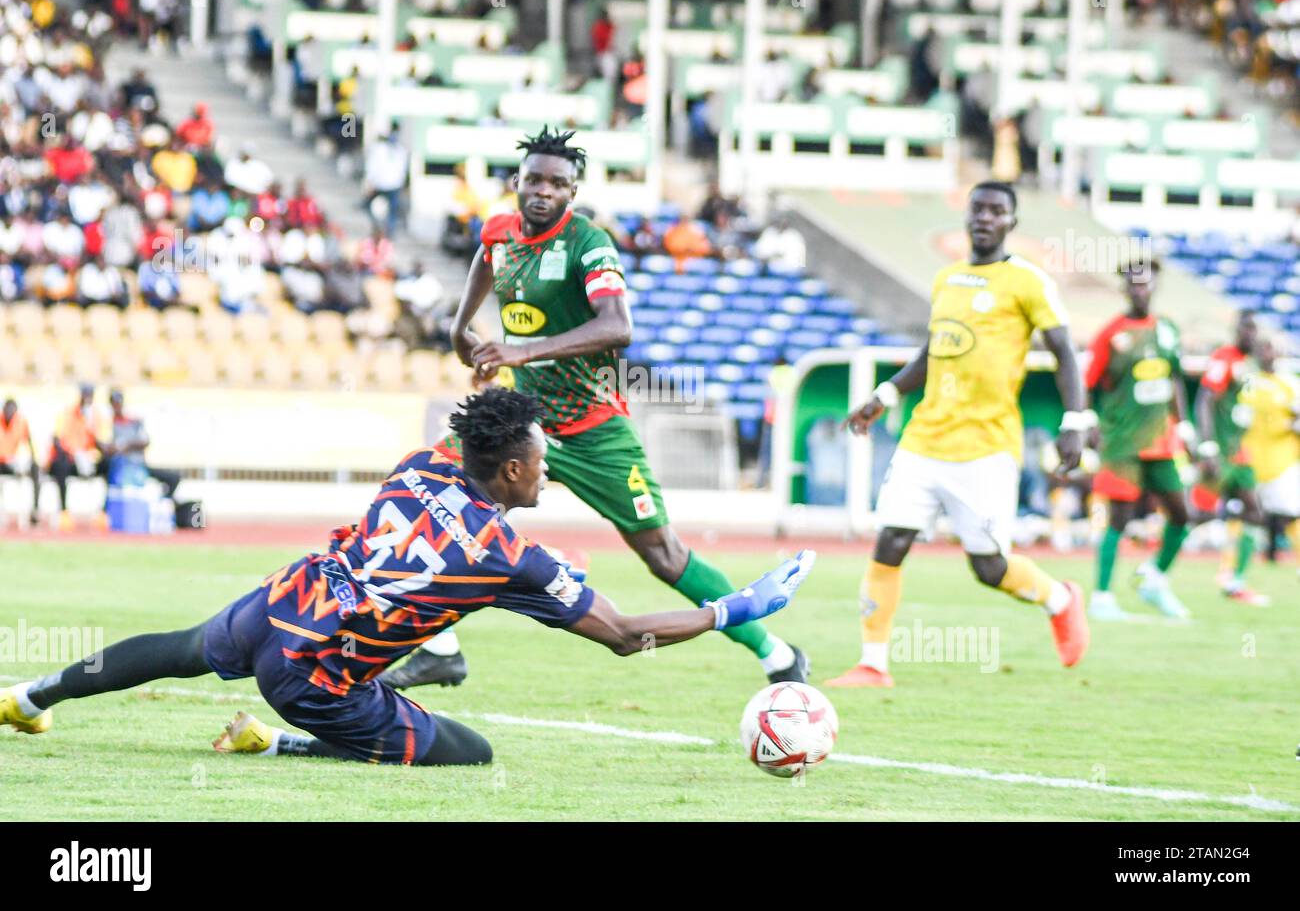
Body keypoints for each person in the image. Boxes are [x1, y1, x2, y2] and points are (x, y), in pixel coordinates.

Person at [0, 389, 815, 765]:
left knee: (180, 647)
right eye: (539, 463)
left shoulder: (421, 462)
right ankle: (281, 741)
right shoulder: (506, 555)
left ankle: (31, 697)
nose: (548, 473)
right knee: (473, 753)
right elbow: (626, 636)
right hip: (314, 677)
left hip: (286, 600)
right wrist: (732, 608)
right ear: (508, 466)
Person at [382, 127, 811, 691]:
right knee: (433, 490)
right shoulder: (498, 233)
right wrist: (467, 335)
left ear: (572, 193)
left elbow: (618, 327)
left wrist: (520, 349)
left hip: (594, 426)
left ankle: (776, 654)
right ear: (516, 182)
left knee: (663, 556)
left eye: (557, 184)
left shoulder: (590, 244)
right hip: (522, 419)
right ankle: (439, 648)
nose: (543, 191)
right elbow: (476, 291)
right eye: (533, 179)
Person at [827, 181, 1090, 689]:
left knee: (989, 567)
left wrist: (1075, 421)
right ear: (965, 218)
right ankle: (873, 664)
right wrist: (884, 395)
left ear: (1012, 222)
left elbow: (1065, 353)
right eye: (978, 210)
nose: (985, 219)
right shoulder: (948, 278)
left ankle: (1060, 599)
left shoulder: (1028, 282)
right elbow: (932, 354)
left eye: (997, 211)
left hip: (986, 448)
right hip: (925, 439)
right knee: (890, 541)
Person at [1085, 261, 1195, 620]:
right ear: (1124, 289)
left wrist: (1185, 425)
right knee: (1120, 518)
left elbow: (1175, 379)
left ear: (1155, 286)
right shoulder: (1110, 335)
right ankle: (1101, 597)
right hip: (1124, 442)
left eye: (1146, 284)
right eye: (1133, 284)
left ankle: (1152, 577)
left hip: (1161, 441)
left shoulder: (1167, 329)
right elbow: (1087, 383)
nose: (1140, 290)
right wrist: (1087, 422)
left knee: (1182, 513)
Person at [1195, 312, 1271, 605]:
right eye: (1246, 328)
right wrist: (1208, 446)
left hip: (1239, 453)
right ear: (1236, 330)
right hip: (1220, 452)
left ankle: (1235, 581)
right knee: (1195, 514)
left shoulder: (1250, 365)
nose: (1251, 334)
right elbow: (1204, 400)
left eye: (1255, 329)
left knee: (1254, 511)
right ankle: (1152, 569)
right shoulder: (1224, 358)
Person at [1241, 337, 1300, 571]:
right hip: (1251, 458)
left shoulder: (1289, 384)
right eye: (1261, 349)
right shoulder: (1248, 382)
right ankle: (1235, 574)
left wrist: (1287, 425)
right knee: (1247, 513)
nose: (1266, 354)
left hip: (1283, 459)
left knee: (1291, 512)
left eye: (1270, 349)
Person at [45, 383, 108, 531]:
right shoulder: (68, 413)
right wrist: (75, 453)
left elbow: (102, 443)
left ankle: (102, 513)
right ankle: (64, 512)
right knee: (60, 466)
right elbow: (58, 439)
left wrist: (91, 455)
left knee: (109, 465)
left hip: (89, 460)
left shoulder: (96, 416)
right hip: (71, 459)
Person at [105, 389, 180, 500]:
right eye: (114, 403)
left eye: (119, 402)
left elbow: (145, 441)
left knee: (173, 477)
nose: (117, 406)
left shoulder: (133, 421)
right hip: (119, 468)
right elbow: (107, 448)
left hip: (138, 466)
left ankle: (164, 503)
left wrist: (127, 445)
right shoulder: (107, 423)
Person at [0, 399, 40, 527]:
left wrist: (31, 459)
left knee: (35, 469)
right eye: (8, 409)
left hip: (15, 462)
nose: (10, 412)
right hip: (1, 462)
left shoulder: (21, 422)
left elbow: (28, 441)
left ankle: (34, 510)